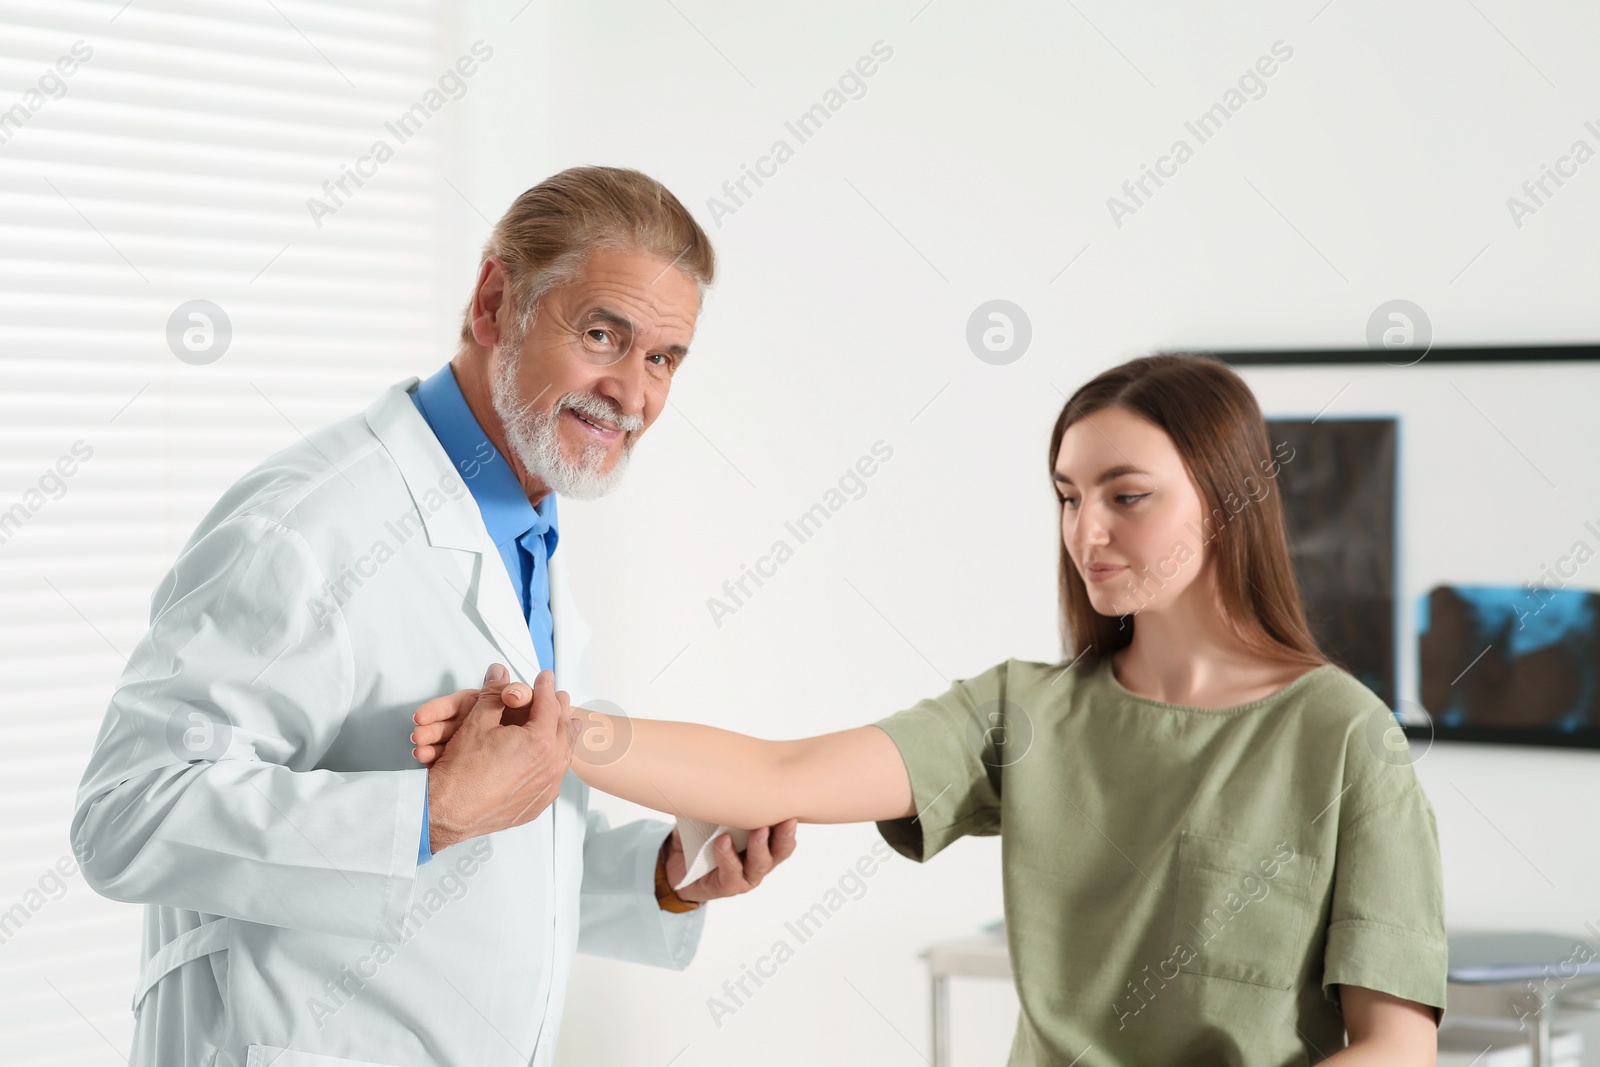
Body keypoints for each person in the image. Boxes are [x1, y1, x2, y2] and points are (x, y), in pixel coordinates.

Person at [415, 353, 1448, 1065]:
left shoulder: (1340, 734)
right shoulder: (1025, 709)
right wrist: (554, 724)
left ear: (1225, 500)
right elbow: (776, 775)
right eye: (1065, 493)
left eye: (1124, 494)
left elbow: (1397, 1043)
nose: (1085, 529)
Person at [72, 166, 798, 1067]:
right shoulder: (310, 524)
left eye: (662, 358)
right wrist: (431, 808)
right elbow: (126, 813)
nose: (632, 394)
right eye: (602, 334)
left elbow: (494, 868)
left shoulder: (528, 527)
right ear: (495, 302)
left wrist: (663, 877)